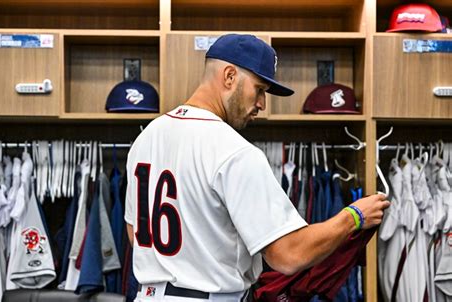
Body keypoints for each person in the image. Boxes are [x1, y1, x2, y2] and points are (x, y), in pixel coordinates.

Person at [124, 33, 390, 302]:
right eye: (260, 89)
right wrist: (354, 216)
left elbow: (135, 235)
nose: (262, 104)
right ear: (229, 76)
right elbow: (288, 256)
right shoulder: (234, 150)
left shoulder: (146, 138)